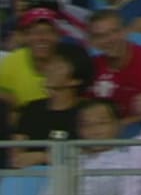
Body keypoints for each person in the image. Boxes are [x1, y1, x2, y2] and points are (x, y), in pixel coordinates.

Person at [9, 41, 90, 169]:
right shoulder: (32, 109)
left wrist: (42, 156)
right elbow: (15, 156)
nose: (49, 69)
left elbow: (91, 155)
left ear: (75, 80)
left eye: (58, 66)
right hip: (30, 180)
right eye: (51, 63)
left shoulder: (88, 112)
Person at [89, 10, 141, 125]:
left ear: (125, 32)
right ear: (92, 41)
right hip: (103, 134)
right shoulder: (92, 67)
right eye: (100, 36)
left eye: (114, 32)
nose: (109, 40)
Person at [0, 8, 61, 110]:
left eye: (48, 31)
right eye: (34, 32)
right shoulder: (12, 62)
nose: (41, 38)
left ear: (58, 36)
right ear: (25, 37)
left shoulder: (68, 61)